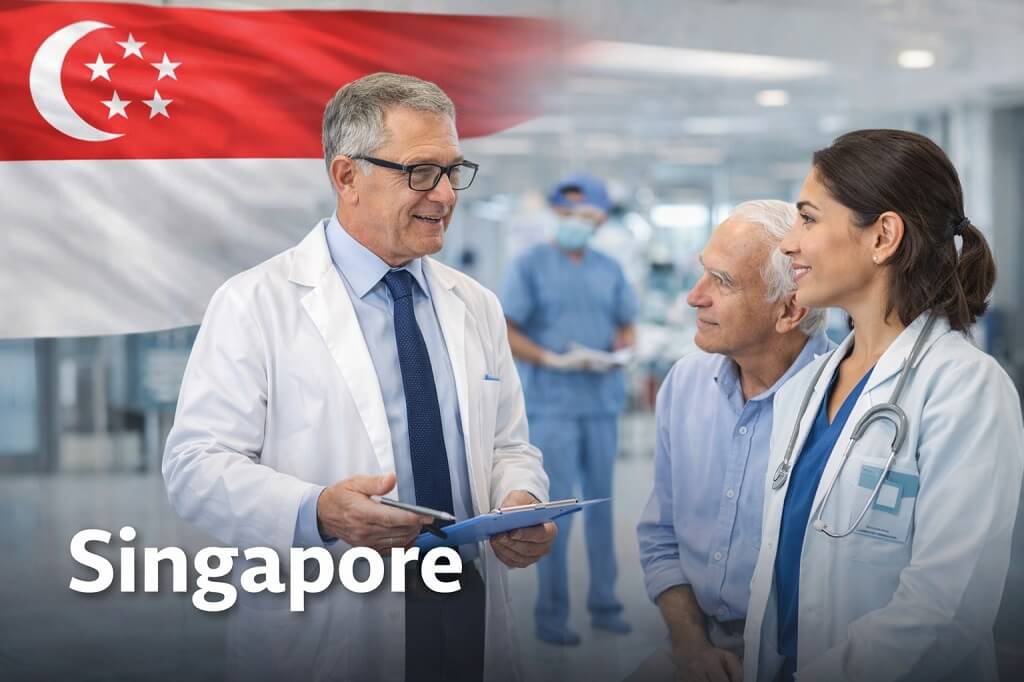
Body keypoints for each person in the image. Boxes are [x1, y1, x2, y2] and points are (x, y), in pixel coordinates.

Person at [162, 72, 556, 682]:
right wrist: (318, 510)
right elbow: (194, 466)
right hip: (333, 616)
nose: (446, 194)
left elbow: (508, 444)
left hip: (466, 607)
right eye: (422, 172)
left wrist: (520, 498)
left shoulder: (473, 304)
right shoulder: (255, 303)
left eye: (454, 171)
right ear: (347, 177)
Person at [743, 129, 1024, 682]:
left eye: (808, 218)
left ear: (883, 236)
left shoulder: (964, 388)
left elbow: (946, 609)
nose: (787, 243)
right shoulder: (808, 385)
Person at [633, 201, 831, 682]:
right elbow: (661, 539)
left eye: (722, 282)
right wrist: (692, 647)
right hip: (697, 643)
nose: (694, 297)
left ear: (789, 310)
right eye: (703, 273)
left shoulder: (840, 407)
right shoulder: (686, 383)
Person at [500, 173, 637, 645]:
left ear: (598, 220)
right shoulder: (530, 265)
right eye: (567, 215)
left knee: (602, 508)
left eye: (585, 217)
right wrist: (551, 358)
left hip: (600, 401)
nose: (575, 223)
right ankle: (552, 615)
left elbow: (627, 324)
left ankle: (605, 604)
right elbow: (508, 327)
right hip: (552, 404)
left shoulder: (609, 269)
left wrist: (621, 350)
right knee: (553, 511)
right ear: (556, 214)